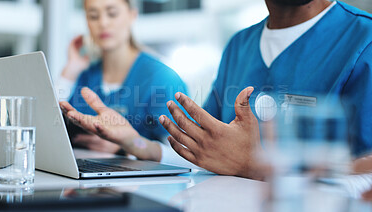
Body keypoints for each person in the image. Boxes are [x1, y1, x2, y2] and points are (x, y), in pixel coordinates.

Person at [61, 0, 372, 179]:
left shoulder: (363, 41)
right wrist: (134, 142)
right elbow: (202, 152)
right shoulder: (239, 46)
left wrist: (254, 166)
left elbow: (364, 177)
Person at [57, 0, 188, 155]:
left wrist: (124, 149)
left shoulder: (163, 79)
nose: (103, 23)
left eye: (112, 13)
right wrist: (70, 71)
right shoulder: (84, 77)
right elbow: (49, 126)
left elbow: (184, 155)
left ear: (132, 15)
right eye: (93, 16)